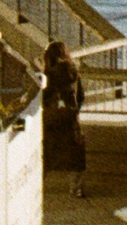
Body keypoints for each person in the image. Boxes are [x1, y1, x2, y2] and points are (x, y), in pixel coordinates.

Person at [42, 41, 86, 194]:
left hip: (51, 120)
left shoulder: (48, 75)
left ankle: (37, 185)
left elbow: (43, 96)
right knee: (76, 155)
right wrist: (73, 110)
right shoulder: (74, 73)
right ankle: (76, 188)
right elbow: (81, 96)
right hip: (70, 119)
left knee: (45, 154)